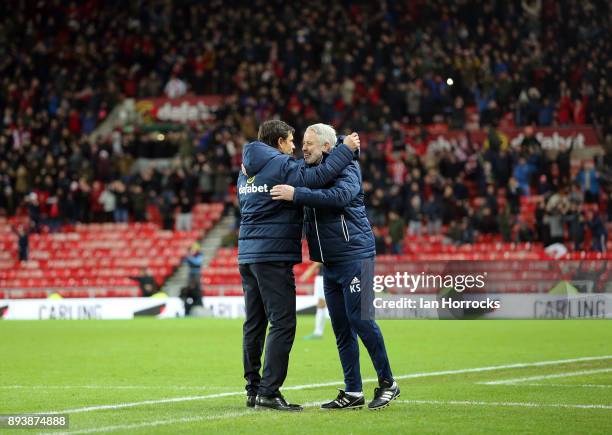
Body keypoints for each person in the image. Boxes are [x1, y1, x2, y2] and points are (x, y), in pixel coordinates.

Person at [271, 123, 398, 411]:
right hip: (329, 261)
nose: (303, 148)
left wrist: (297, 194)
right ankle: (353, 391)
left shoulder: (348, 167)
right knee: (341, 328)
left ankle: (388, 382)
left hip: (356, 255)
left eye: (310, 144)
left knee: (362, 320)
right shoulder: (311, 172)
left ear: (328, 147)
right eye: (302, 143)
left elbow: (339, 197)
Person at [238, 120, 360, 412]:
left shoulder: (244, 173)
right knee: (283, 324)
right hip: (273, 255)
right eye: (291, 141)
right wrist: (346, 150)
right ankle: (269, 392)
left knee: (254, 324)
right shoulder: (281, 165)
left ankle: (253, 390)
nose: (295, 147)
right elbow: (319, 176)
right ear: (279, 142)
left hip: (247, 254)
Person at [301, 262, 326, 340]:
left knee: (322, 304)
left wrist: (310, 270)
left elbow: (320, 259)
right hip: (323, 276)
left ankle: (318, 332)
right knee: (321, 304)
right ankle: (318, 332)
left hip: (323, 277)